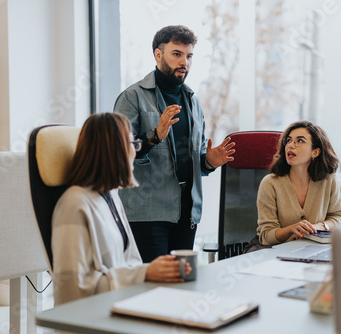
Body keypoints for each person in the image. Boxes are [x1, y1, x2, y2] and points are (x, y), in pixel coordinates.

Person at [114, 25, 235, 262]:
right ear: (158, 55)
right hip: (147, 212)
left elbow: (194, 161)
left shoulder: (193, 101)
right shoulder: (132, 97)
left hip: (187, 211)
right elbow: (120, 153)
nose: (185, 63)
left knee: (182, 283)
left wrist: (208, 162)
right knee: (153, 288)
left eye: (189, 56)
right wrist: (155, 135)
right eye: (177, 54)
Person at [51, 113, 190, 306]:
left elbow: (129, 262)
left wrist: (153, 272)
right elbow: (73, 290)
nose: (134, 152)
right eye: (132, 144)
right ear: (115, 151)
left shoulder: (110, 196)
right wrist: (145, 273)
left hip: (122, 304)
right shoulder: (74, 205)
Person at [256, 120, 341, 246]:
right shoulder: (270, 183)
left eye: (300, 141)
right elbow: (266, 236)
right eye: (288, 140)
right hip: (277, 255)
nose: (291, 145)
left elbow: (340, 218)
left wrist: (319, 227)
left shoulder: (329, 181)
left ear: (315, 152)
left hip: (313, 250)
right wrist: (291, 229)